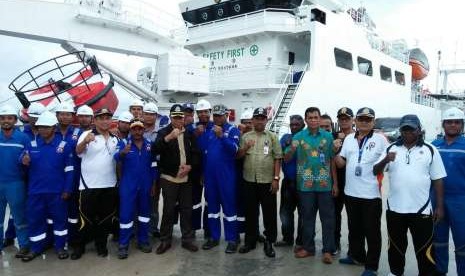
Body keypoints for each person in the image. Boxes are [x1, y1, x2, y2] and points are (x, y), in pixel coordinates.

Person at [374, 114, 446, 276]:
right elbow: (375, 171)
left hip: (421, 210)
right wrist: (385, 160)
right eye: (404, 129)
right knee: (395, 247)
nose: (408, 133)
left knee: (424, 248)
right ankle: (395, 272)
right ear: (400, 130)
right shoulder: (391, 148)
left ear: (419, 130)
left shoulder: (430, 149)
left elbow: (438, 179)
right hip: (395, 209)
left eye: (411, 129)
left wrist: (440, 207)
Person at [335, 107, 388, 276]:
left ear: (373, 122)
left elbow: (388, 164)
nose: (364, 122)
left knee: (371, 232)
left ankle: (371, 266)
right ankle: (356, 256)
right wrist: (335, 150)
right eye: (361, 119)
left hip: (371, 195)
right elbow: (341, 164)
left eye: (368, 119)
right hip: (351, 193)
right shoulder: (349, 139)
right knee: (354, 228)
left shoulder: (381, 140)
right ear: (355, 121)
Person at [285, 107, 338, 264]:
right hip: (305, 185)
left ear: (320, 119)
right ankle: (308, 248)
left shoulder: (328, 137)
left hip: (325, 185)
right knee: (307, 218)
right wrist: (292, 149)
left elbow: (332, 161)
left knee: (328, 219)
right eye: (310, 117)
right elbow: (286, 159)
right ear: (306, 119)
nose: (314, 120)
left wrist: (335, 183)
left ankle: (328, 250)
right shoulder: (298, 137)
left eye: (316, 117)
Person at [20, 111, 74, 262]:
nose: (42, 130)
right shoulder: (31, 144)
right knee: (35, 220)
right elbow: (23, 163)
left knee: (60, 220)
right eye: (40, 127)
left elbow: (69, 170)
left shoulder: (64, 146)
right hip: (36, 192)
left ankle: (60, 247)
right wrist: (23, 161)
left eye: (46, 127)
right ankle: (35, 248)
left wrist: (67, 189)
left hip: (57, 192)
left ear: (54, 128)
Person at [72, 108, 123, 260]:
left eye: (108, 118)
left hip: (110, 185)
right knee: (84, 220)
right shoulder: (87, 134)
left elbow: (119, 160)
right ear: (95, 120)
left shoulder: (116, 138)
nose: (105, 121)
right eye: (101, 118)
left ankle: (101, 246)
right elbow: (77, 152)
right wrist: (85, 142)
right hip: (88, 186)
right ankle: (79, 247)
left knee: (105, 219)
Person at [152, 104, 200, 254]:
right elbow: (154, 150)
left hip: (186, 178)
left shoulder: (190, 134)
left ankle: (187, 239)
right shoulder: (163, 132)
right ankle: (165, 240)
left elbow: (196, 154)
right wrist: (168, 138)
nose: (179, 120)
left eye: (181, 117)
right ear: (171, 117)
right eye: (176, 117)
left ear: (184, 118)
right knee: (168, 210)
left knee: (186, 209)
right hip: (169, 178)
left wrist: (190, 167)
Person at [237, 107, 282, 258]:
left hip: (267, 181)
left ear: (266, 120)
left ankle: (269, 241)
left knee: (269, 213)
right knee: (250, 212)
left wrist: (276, 179)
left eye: (262, 118)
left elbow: (277, 158)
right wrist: (245, 148)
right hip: (249, 180)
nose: (260, 120)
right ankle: (250, 241)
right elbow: (238, 156)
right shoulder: (245, 136)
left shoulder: (272, 137)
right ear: (253, 120)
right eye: (257, 118)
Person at [115, 119, 157, 259]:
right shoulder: (123, 143)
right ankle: (123, 245)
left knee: (144, 215)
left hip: (145, 185)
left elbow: (153, 165)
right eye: (134, 129)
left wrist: (153, 184)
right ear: (131, 130)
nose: (137, 132)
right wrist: (122, 153)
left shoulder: (149, 145)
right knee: (126, 215)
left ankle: (143, 241)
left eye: (140, 129)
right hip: (128, 185)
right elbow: (115, 158)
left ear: (144, 129)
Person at [202, 104, 240, 253]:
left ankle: (232, 239)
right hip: (210, 177)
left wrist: (222, 136)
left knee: (229, 208)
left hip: (226, 177)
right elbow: (205, 153)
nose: (217, 118)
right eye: (215, 115)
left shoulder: (232, 130)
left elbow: (234, 150)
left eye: (220, 115)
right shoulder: (208, 131)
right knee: (212, 209)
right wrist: (203, 174)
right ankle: (214, 237)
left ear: (226, 115)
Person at [432, 107, 465, 276]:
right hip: (436, 199)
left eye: (457, 122)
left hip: (461, 201)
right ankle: (439, 271)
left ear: (462, 125)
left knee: (462, 241)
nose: (453, 125)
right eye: (449, 122)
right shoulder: (433, 145)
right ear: (443, 125)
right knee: (438, 239)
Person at [0, 105, 30, 257]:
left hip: (16, 183)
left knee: (20, 217)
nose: (6, 121)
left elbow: (27, 158)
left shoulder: (23, 138)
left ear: (15, 120)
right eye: (3, 118)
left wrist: (25, 161)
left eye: (9, 118)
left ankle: (24, 245)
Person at [275, 115, 304, 250]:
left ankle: (301, 241)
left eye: (296, 124)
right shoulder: (285, 138)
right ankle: (287, 239)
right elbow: (280, 157)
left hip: (305, 182)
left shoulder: (307, 137)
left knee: (304, 214)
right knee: (285, 213)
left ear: (303, 125)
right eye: (291, 124)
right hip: (289, 181)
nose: (293, 127)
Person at [143, 102, 169, 238]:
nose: (149, 117)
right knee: (141, 198)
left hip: (158, 167)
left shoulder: (161, 131)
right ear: (142, 115)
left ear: (156, 116)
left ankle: (153, 228)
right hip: (142, 168)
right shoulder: (136, 130)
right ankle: (139, 227)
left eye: (152, 114)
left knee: (154, 198)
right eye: (146, 114)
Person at [332, 107, 355, 254]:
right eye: (341, 118)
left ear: (353, 120)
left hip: (354, 183)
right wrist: (335, 183)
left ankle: (354, 248)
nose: (344, 121)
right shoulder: (333, 137)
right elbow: (331, 162)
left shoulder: (359, 136)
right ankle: (335, 243)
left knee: (354, 218)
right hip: (338, 180)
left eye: (347, 118)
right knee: (335, 215)